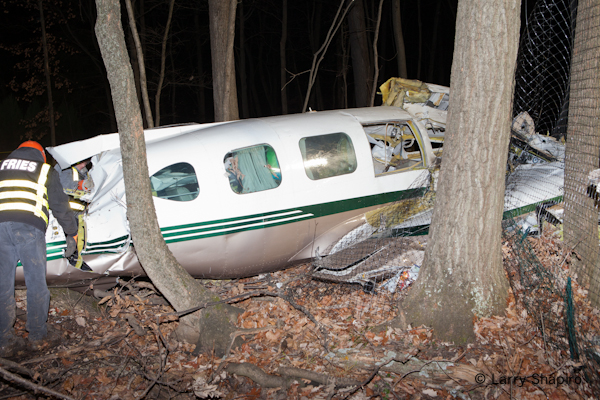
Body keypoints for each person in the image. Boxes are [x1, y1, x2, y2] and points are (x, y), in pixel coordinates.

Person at [0, 141, 78, 355]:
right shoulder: (44, 170)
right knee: (36, 283)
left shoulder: (2, 166)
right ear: (41, 155)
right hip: (28, 228)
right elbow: (60, 206)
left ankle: (4, 341)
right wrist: (71, 231)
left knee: (2, 286)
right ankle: (37, 336)